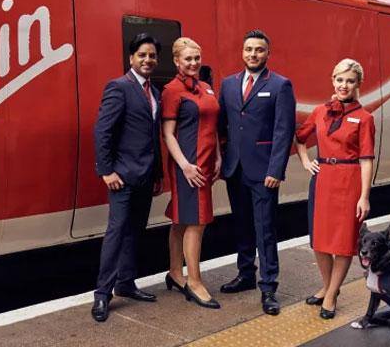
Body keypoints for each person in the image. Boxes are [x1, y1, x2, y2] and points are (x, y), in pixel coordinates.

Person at [218, 29, 296, 315]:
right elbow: (222, 126)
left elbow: (283, 131)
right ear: (242, 52)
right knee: (241, 225)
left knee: (265, 229)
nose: (253, 54)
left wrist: (276, 169)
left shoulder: (280, 85)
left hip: (265, 171)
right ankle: (246, 275)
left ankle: (269, 287)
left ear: (267, 53)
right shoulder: (228, 85)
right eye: (249, 49)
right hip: (235, 168)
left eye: (259, 50)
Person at [294, 58, 375, 319]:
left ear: (358, 84)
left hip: (349, 181)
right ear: (333, 80)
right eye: (340, 79)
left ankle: (330, 294)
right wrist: (306, 161)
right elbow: (300, 138)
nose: (344, 85)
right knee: (319, 240)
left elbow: (366, 160)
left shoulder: (365, 118)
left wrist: (364, 196)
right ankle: (328, 286)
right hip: (322, 179)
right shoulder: (320, 111)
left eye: (350, 81)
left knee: (342, 243)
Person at [91, 33, 164, 322]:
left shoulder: (154, 93)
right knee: (116, 232)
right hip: (121, 176)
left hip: (145, 175)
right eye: (142, 55)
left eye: (152, 56)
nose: (148, 60)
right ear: (131, 58)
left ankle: (126, 283)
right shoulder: (119, 87)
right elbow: (103, 131)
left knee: (135, 231)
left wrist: (157, 173)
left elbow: (153, 138)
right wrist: (106, 170)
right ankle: (101, 295)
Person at [162, 37, 221, 309]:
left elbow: (212, 125)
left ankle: (176, 273)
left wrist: (218, 154)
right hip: (189, 166)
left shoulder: (206, 87)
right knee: (196, 221)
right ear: (176, 61)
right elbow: (168, 134)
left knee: (181, 220)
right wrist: (184, 165)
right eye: (188, 59)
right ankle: (194, 282)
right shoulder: (172, 91)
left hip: (206, 162)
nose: (194, 63)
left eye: (197, 58)